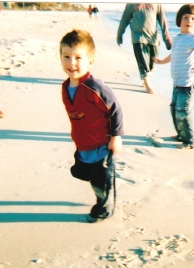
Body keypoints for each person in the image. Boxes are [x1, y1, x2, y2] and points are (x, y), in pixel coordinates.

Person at [59, 29, 124, 223]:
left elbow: (115, 109)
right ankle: (106, 188)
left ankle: (104, 209)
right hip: (84, 143)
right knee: (83, 173)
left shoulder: (95, 88)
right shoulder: (65, 87)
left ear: (90, 61)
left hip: (102, 145)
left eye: (78, 57)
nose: (72, 63)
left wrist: (116, 137)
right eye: (66, 56)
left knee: (101, 181)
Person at [154, 4, 194, 149]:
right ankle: (181, 134)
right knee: (174, 110)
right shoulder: (177, 39)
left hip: (189, 83)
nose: (189, 20)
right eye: (186, 17)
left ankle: (190, 141)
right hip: (177, 83)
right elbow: (174, 54)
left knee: (184, 112)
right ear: (179, 20)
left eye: (193, 18)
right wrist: (162, 61)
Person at [117, 3, 172, 94]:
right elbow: (124, 20)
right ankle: (147, 84)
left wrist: (167, 40)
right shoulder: (131, 4)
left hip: (153, 38)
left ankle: (146, 78)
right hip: (138, 37)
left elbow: (163, 23)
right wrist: (119, 35)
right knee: (142, 61)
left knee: (152, 63)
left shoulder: (157, 4)